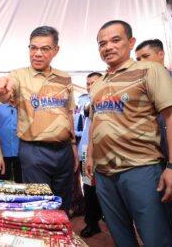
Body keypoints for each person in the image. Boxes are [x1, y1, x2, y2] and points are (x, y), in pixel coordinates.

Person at [85, 20, 172, 247]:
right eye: (102, 43)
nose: (107, 47)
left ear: (131, 43)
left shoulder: (149, 70)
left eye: (115, 40)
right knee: (121, 238)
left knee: (157, 238)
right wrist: (90, 157)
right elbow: (95, 122)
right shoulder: (98, 84)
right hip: (104, 174)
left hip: (141, 169)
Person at [0, 26, 78, 212]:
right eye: (33, 48)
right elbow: (5, 92)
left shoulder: (64, 78)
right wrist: (0, 88)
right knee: (39, 205)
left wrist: (73, 148)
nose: (37, 54)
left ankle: (57, 240)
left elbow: (68, 113)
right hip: (34, 151)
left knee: (62, 203)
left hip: (64, 151)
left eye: (45, 49)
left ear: (56, 50)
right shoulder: (19, 75)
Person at [136, 38, 172, 162]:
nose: (141, 62)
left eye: (145, 56)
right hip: (153, 156)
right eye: (138, 59)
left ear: (160, 54)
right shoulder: (138, 88)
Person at [78, 72, 103, 238]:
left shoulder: (108, 98)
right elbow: (87, 109)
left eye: (94, 82)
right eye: (88, 83)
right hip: (87, 151)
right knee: (89, 190)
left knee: (108, 190)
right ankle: (92, 223)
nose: (90, 86)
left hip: (107, 151)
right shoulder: (84, 100)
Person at [0, 100, 22, 182]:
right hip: (2, 152)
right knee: (2, 179)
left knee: (20, 180)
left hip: (20, 151)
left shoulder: (22, 108)